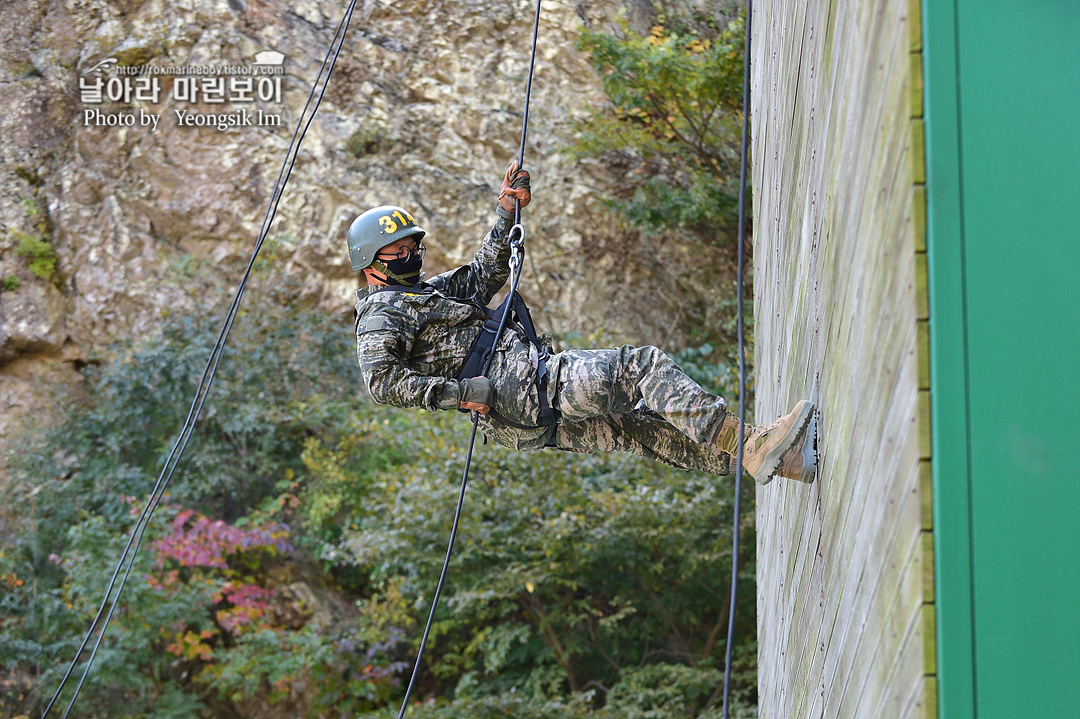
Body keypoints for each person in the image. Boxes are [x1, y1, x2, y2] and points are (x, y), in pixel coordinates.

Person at [348, 164, 817, 484]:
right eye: (398, 251)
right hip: (521, 388)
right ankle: (752, 445)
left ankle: (790, 463)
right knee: (640, 368)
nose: (410, 255)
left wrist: (506, 214)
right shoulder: (380, 314)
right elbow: (382, 382)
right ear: (371, 261)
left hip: (521, 408)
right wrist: (461, 395)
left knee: (646, 431)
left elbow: (479, 277)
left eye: (413, 247)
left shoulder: (418, 294)